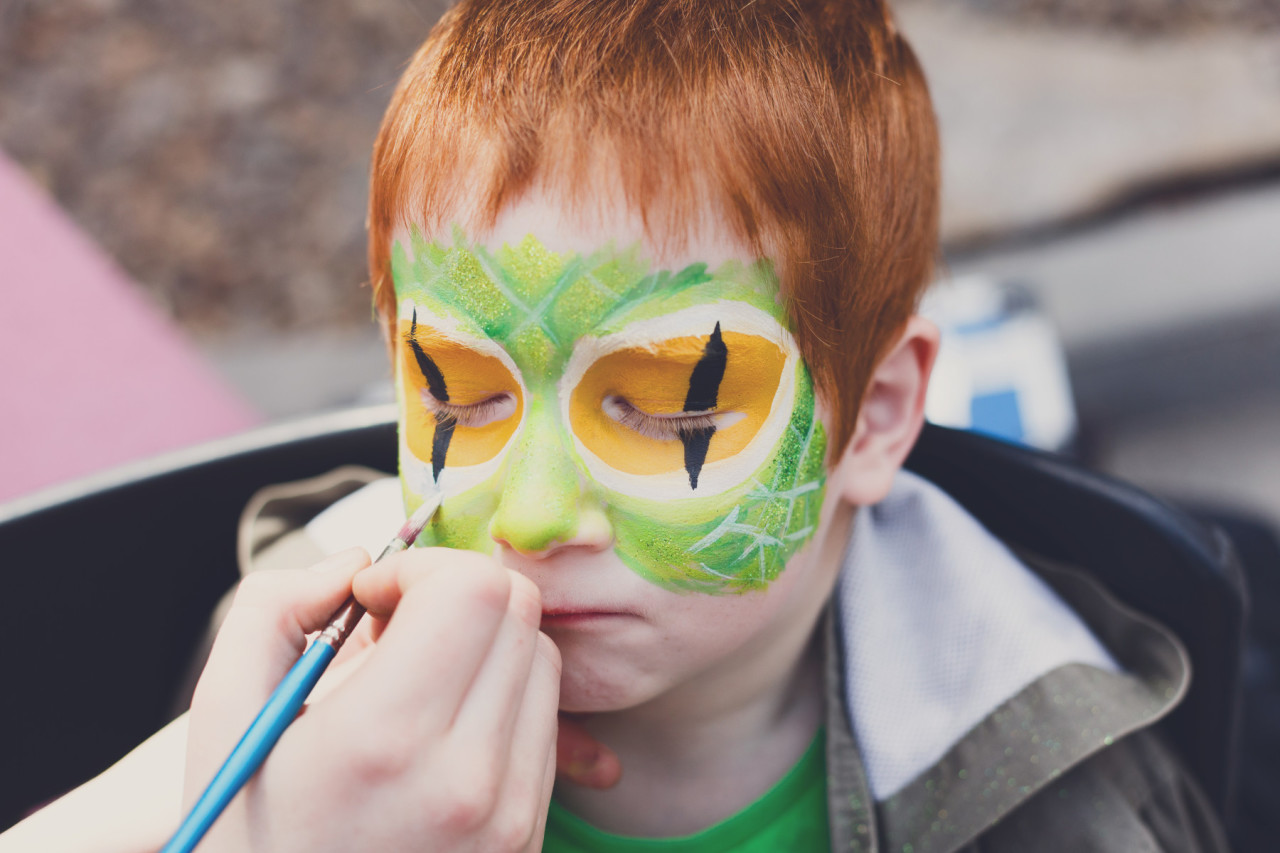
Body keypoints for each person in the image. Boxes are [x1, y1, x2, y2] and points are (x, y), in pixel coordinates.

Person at [0, 1, 1230, 850]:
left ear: (876, 416)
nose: (529, 514)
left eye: (676, 404)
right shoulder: (287, 687)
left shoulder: (1058, 780)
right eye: (460, 392)